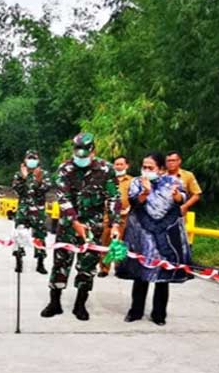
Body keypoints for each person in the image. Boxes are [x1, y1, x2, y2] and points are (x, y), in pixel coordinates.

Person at [40, 132, 121, 321]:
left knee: (87, 267)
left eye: (85, 155)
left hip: (93, 228)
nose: (81, 159)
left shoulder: (106, 170)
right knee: (60, 265)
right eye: (78, 155)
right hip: (67, 227)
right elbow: (62, 198)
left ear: (93, 151)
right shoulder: (65, 169)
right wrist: (75, 222)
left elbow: (114, 198)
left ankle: (80, 305)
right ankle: (54, 303)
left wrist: (116, 224)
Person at [116, 152, 191, 326]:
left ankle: (159, 314)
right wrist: (146, 191)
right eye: (144, 167)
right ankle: (135, 311)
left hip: (165, 236)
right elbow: (134, 202)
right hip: (142, 237)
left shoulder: (173, 182)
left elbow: (182, 198)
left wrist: (177, 197)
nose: (146, 170)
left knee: (162, 276)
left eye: (151, 168)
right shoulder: (136, 182)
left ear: (161, 169)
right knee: (140, 274)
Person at [11, 149, 51, 274]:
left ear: (38, 160)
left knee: (40, 237)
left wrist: (39, 181)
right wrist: (24, 178)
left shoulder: (43, 174)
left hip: (38, 211)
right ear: (25, 160)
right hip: (23, 210)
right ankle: (19, 261)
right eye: (30, 158)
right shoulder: (19, 174)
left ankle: (40, 263)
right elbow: (18, 190)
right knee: (19, 236)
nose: (32, 161)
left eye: (34, 158)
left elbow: (45, 189)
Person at [98, 155, 133, 277]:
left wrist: (128, 209)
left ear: (127, 165)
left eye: (121, 164)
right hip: (108, 216)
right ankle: (104, 268)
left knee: (121, 243)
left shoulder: (131, 181)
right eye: (116, 164)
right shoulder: (106, 179)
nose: (118, 167)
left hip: (125, 216)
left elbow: (134, 197)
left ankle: (120, 268)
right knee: (105, 241)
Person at [165, 151, 202, 216]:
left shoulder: (188, 175)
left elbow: (196, 195)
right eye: (168, 161)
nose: (170, 163)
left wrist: (185, 206)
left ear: (179, 161)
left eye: (173, 160)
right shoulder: (161, 176)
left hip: (180, 213)